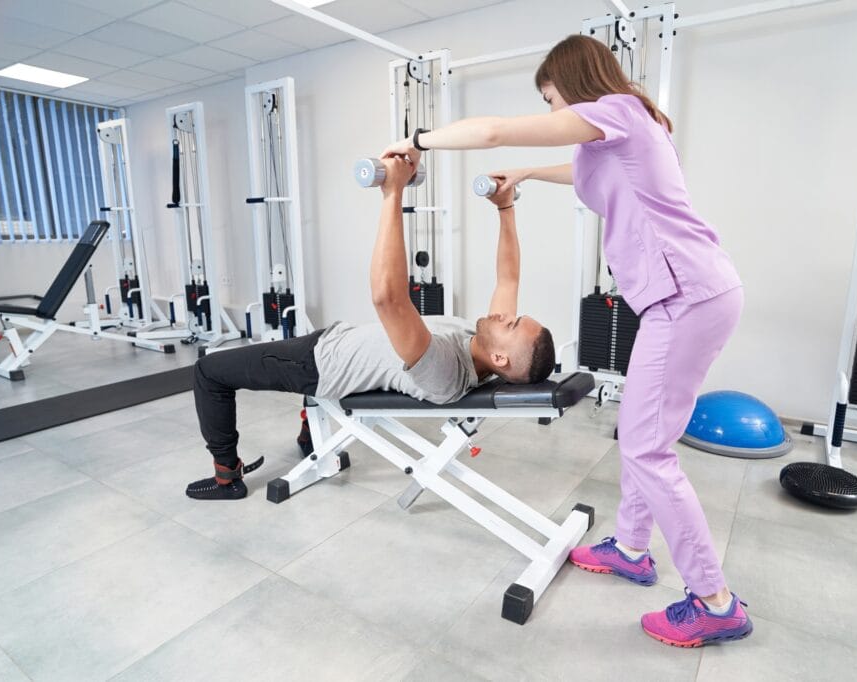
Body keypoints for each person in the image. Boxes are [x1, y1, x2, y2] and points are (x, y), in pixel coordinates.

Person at [383, 34, 749, 648]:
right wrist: (529, 174)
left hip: (686, 297)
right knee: (642, 434)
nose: (552, 111)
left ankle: (715, 602)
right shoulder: (628, 126)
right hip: (689, 294)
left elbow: (494, 131)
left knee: (647, 447)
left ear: (574, 85)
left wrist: (417, 140)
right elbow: (583, 171)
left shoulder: (617, 111)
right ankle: (631, 547)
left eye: (551, 99)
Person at [184, 150, 555, 502]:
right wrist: (505, 207)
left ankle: (226, 477)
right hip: (333, 343)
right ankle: (311, 440)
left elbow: (387, 298)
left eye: (512, 324)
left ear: (501, 359)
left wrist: (392, 193)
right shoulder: (486, 346)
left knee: (208, 371)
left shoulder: (445, 369)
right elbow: (508, 278)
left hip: (316, 363)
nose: (506, 315)